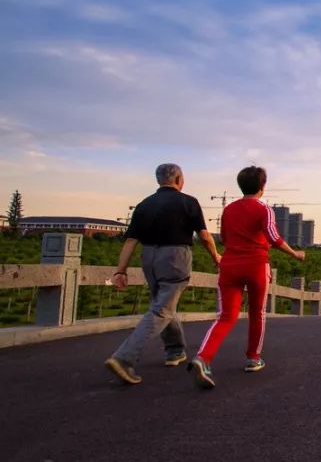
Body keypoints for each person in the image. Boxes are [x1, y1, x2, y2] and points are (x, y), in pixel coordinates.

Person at [188, 166, 305, 389]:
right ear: (263, 186)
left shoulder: (229, 209)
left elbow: (224, 237)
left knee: (226, 316)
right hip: (256, 265)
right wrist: (295, 253)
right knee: (257, 313)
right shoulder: (264, 209)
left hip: (229, 265)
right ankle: (253, 357)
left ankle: (203, 358)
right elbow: (273, 237)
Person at [104, 163, 221, 385]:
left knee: (164, 303)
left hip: (149, 258)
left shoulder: (144, 205)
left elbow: (130, 241)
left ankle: (175, 350)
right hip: (175, 257)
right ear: (178, 179)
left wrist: (121, 270)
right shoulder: (188, 202)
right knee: (162, 308)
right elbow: (205, 236)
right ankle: (123, 358)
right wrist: (216, 257)